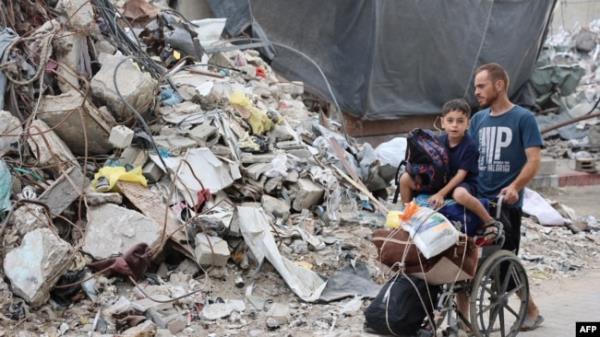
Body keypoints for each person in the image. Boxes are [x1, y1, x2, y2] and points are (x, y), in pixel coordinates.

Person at [469, 62, 544, 331]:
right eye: (475, 86)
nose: (476, 91)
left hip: (505, 204)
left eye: (481, 86)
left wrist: (515, 187)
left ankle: (531, 311)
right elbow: (469, 158)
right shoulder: (478, 120)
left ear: (499, 85)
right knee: (474, 259)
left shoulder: (523, 119)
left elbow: (533, 161)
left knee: (501, 261)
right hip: (478, 202)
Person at [399, 98, 502, 241]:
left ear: (468, 124)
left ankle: (488, 220)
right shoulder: (438, 141)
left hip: (464, 183)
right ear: (442, 122)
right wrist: (419, 177)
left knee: (459, 194)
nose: (455, 125)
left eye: (460, 121)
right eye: (450, 120)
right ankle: (407, 214)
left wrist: (441, 194)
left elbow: (461, 175)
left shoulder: (470, 146)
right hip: (440, 180)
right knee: (405, 179)